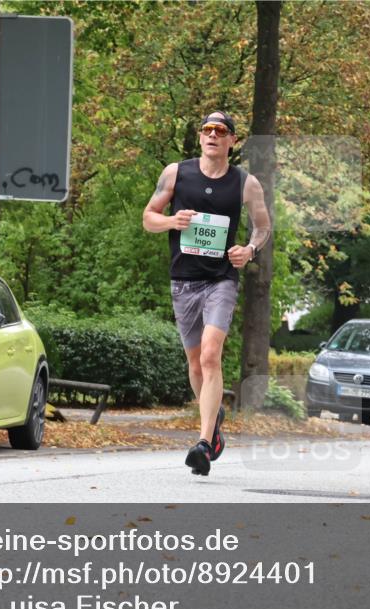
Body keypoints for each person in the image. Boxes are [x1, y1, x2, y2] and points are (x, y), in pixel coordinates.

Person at [143, 111, 271, 476]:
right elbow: (148, 217)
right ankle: (214, 428)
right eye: (207, 130)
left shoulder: (246, 184)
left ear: (232, 140)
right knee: (196, 362)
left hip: (221, 280)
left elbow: (262, 227)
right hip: (183, 280)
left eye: (220, 131)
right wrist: (171, 221)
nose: (212, 135)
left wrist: (249, 250)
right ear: (200, 137)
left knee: (211, 356)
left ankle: (202, 443)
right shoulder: (176, 173)